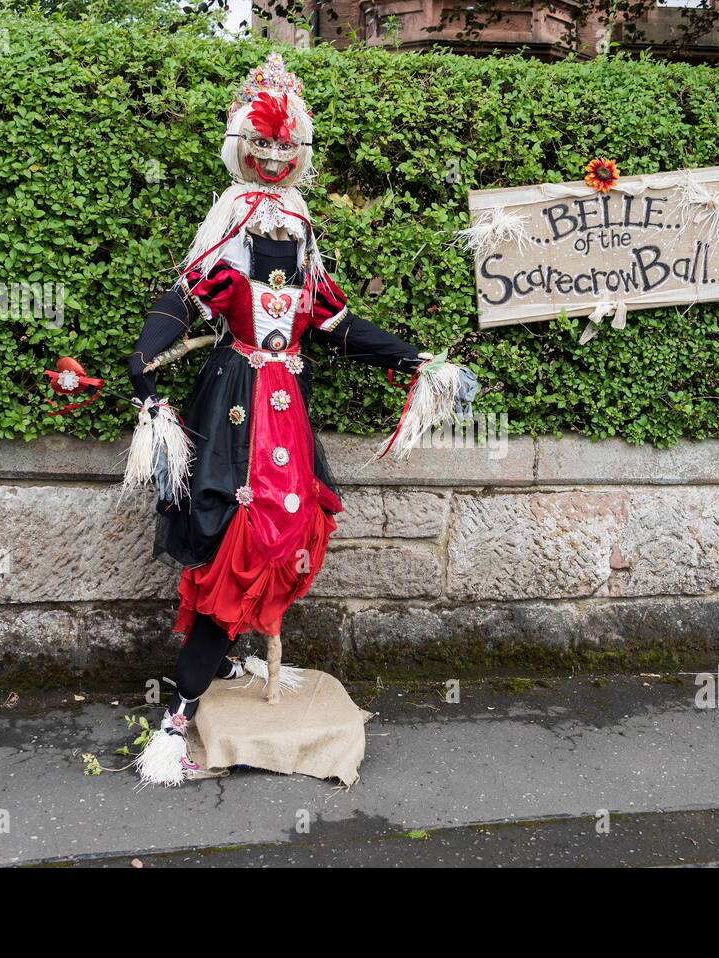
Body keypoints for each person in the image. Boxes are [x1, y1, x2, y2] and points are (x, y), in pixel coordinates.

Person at [127, 52, 477, 786]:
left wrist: (416, 361)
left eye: (287, 146)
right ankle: (181, 712)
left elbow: (333, 321)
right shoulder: (230, 221)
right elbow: (185, 295)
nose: (274, 156)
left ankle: (230, 661)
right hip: (234, 406)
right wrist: (142, 360)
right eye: (264, 143)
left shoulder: (302, 229)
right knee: (234, 532)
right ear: (242, 144)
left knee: (287, 524)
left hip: (286, 408)